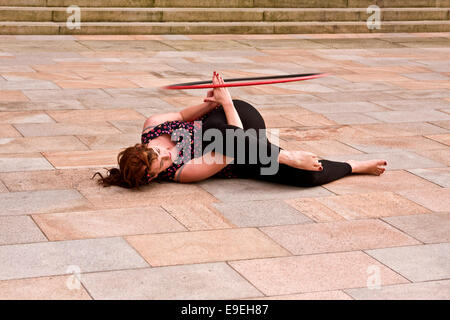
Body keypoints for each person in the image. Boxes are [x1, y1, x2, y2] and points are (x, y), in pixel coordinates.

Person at [93, 72, 387, 189]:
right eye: (162, 162)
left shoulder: (152, 126)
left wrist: (213, 100)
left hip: (231, 116)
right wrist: (227, 101)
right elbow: (237, 144)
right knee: (307, 175)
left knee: (212, 131)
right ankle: (355, 165)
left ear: (145, 145)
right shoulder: (184, 173)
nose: (167, 154)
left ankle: (285, 156)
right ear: (154, 175)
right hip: (241, 144)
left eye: (159, 151)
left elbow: (183, 114)